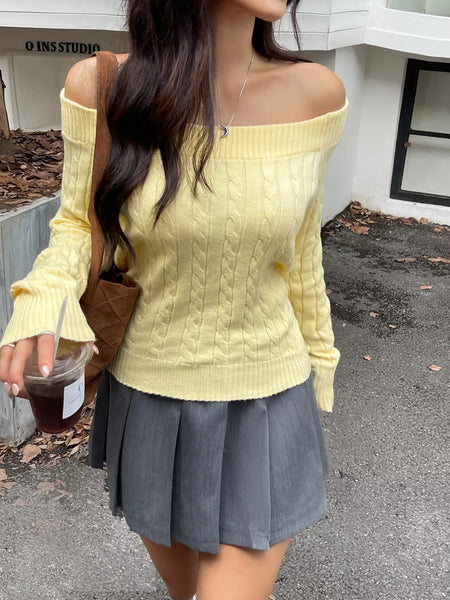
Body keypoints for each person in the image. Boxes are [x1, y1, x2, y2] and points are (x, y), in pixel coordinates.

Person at [0, 0, 348, 598]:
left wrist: (320, 362)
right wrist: (42, 298)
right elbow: (79, 224)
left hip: (268, 399)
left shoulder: (317, 94)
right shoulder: (102, 88)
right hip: (151, 403)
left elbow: (302, 250)